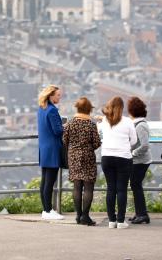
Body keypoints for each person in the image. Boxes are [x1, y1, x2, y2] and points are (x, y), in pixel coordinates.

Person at [99, 96, 137, 229]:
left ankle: (111, 220)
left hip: (107, 157)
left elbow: (100, 136)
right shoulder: (128, 122)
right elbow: (134, 140)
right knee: (121, 189)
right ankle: (121, 221)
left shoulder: (104, 120)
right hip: (123, 157)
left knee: (111, 188)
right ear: (122, 108)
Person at [62, 97, 101, 226]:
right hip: (88, 156)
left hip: (73, 156)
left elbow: (65, 140)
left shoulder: (70, 123)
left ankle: (78, 216)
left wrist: (74, 147)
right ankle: (85, 216)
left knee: (77, 186)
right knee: (88, 187)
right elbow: (96, 143)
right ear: (89, 110)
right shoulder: (91, 125)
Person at [37, 84, 64, 220]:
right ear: (51, 95)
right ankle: (48, 211)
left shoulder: (42, 108)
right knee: (50, 181)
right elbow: (57, 131)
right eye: (58, 95)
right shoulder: (52, 110)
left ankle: (45, 209)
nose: (60, 97)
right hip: (53, 149)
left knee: (44, 180)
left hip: (44, 148)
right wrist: (65, 126)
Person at [128, 96, 151, 224]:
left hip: (140, 161)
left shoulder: (140, 126)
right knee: (135, 186)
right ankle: (139, 213)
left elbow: (145, 145)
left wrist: (133, 153)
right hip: (138, 161)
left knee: (136, 186)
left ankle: (142, 214)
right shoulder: (139, 124)